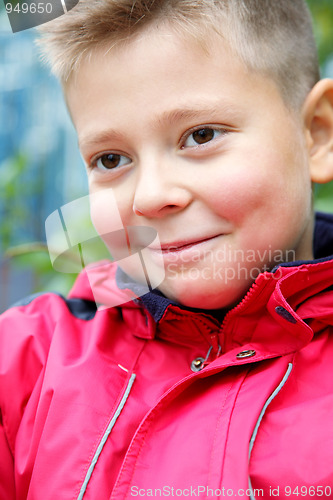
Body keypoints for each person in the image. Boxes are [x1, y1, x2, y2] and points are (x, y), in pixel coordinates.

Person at [1, 0, 333, 498]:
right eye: (110, 158)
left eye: (200, 136)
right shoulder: (27, 362)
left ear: (316, 134)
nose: (151, 197)